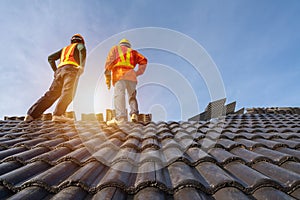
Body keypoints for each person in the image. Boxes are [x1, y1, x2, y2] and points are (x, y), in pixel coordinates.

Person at [24, 34, 86, 122]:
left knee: (51, 94)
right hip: (71, 70)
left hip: (60, 71)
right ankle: (58, 114)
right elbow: (82, 49)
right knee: (69, 92)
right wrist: (82, 66)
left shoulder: (64, 49)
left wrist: (55, 70)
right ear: (81, 41)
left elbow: (50, 58)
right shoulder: (79, 45)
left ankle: (31, 115)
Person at [105, 38, 147, 125]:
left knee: (119, 95)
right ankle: (134, 114)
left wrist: (108, 79)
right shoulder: (133, 52)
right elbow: (144, 60)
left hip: (119, 75)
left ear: (121, 44)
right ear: (129, 45)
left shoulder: (115, 49)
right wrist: (138, 72)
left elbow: (109, 63)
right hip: (131, 76)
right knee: (132, 95)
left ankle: (120, 118)